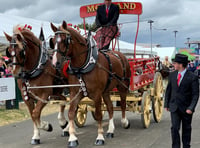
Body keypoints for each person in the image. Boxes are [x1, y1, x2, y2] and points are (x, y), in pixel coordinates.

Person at [164, 54, 199, 148]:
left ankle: (186, 146)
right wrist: (166, 104)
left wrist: (191, 107)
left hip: (186, 108)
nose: (174, 64)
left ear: (181, 64)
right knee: (174, 128)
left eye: (175, 63)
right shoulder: (172, 75)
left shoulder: (192, 77)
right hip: (174, 107)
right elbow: (169, 90)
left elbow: (195, 94)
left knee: (186, 129)